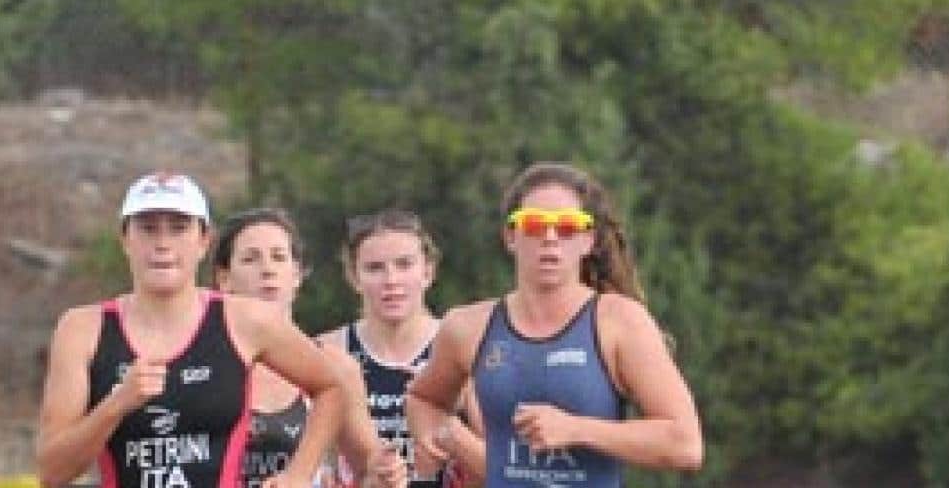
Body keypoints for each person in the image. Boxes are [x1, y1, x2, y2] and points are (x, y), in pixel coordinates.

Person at [37, 173, 348, 488]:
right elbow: (53, 471)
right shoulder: (84, 330)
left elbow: (331, 387)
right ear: (125, 239)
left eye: (178, 228)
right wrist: (115, 405)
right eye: (148, 229)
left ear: (203, 240)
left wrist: (299, 474)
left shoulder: (245, 320)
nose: (163, 244)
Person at [406, 162, 704, 487]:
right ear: (510, 236)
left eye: (567, 226)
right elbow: (424, 400)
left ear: (588, 240)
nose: (550, 238)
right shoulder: (468, 327)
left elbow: (685, 445)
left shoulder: (619, 322)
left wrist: (577, 429)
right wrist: (443, 438)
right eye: (534, 224)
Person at [208, 208, 405, 488]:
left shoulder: (335, 367)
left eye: (279, 257)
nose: (268, 269)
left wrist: (386, 472)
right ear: (224, 278)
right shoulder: (200, 362)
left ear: (297, 274)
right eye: (251, 259)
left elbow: (368, 471)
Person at [316, 210, 482, 487]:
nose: (391, 280)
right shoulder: (330, 351)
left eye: (404, 265)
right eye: (375, 268)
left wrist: (451, 431)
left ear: (428, 271)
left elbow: (499, 459)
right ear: (354, 277)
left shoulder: (462, 348)